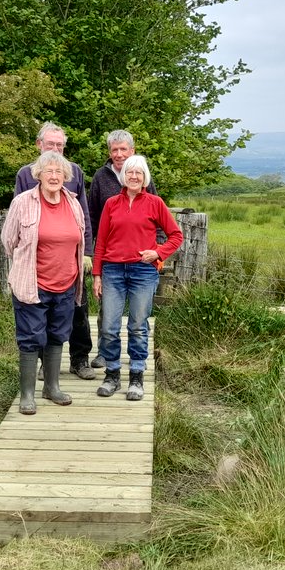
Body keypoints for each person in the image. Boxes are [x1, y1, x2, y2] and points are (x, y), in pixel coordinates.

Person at [92, 154, 182, 402]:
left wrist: (158, 252)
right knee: (109, 326)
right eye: (130, 172)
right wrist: (97, 274)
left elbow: (176, 235)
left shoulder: (155, 203)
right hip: (113, 271)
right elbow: (100, 242)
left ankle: (136, 376)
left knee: (138, 326)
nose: (133, 176)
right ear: (123, 176)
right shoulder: (111, 203)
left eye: (138, 173)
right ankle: (111, 375)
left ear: (144, 178)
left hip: (143, 272)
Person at [2, 151, 87, 415]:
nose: (53, 176)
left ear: (66, 177)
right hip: (32, 284)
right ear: (37, 174)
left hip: (66, 283)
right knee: (30, 338)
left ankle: (51, 387)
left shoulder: (73, 203)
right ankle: (27, 394)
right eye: (48, 171)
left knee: (57, 335)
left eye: (58, 172)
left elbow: (79, 237)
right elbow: (9, 241)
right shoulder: (23, 202)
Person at [15, 122, 96, 379]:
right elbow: (15, 224)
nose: (55, 149)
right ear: (39, 145)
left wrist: (87, 252)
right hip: (37, 263)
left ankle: (79, 359)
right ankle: (45, 367)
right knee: (40, 318)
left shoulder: (74, 172)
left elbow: (83, 213)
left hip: (70, 258)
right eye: (50, 144)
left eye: (60, 145)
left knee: (78, 310)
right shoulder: (25, 174)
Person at [87, 130, 157, 371]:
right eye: (114, 150)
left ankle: (137, 360)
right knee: (107, 313)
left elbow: (157, 215)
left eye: (123, 149)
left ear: (132, 151)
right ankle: (105, 354)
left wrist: (157, 251)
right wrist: (94, 252)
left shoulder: (141, 173)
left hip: (141, 261)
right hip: (111, 259)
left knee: (139, 318)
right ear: (110, 152)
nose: (118, 154)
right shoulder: (100, 177)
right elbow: (93, 217)